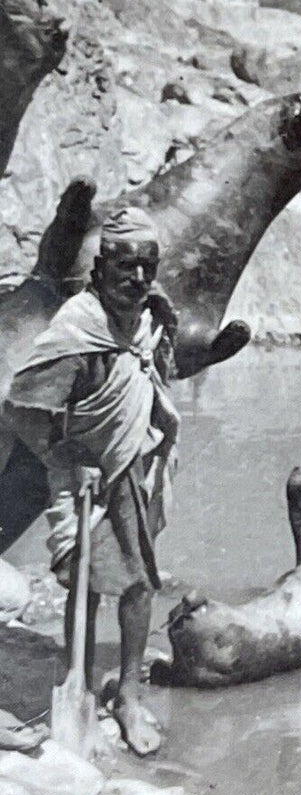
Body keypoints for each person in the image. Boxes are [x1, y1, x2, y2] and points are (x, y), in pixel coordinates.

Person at [2, 208, 179, 756]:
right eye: (126, 267)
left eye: (147, 267)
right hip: (85, 476)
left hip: (134, 467)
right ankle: (75, 683)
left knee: (138, 581)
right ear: (101, 268)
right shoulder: (78, 327)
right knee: (88, 583)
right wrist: (64, 456)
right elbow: (23, 407)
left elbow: (156, 373)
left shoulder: (149, 319)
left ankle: (126, 695)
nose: (139, 279)